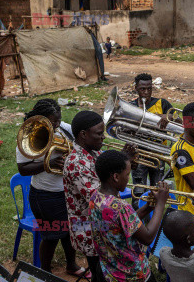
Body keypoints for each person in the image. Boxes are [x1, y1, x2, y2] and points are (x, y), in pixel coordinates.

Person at [16, 99, 86, 277]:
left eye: (58, 120)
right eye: (53, 121)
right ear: (41, 118)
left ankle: (71, 265)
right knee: (51, 236)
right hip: (44, 196)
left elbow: (81, 141)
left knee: (70, 231)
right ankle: (44, 272)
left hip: (67, 192)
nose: (56, 125)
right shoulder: (29, 133)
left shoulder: (62, 127)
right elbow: (23, 169)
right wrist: (49, 164)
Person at [90, 150, 169, 282]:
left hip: (109, 270)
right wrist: (161, 204)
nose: (128, 178)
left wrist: (149, 207)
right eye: (127, 174)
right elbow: (148, 237)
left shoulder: (95, 197)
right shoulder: (121, 207)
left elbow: (124, 223)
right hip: (133, 275)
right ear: (115, 177)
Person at [63, 110, 106, 282]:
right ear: (83, 134)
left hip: (98, 225)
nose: (103, 137)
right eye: (99, 134)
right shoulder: (76, 163)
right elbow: (99, 200)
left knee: (103, 269)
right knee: (99, 273)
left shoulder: (93, 152)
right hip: (88, 229)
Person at [129, 73, 175, 210]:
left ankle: (155, 220)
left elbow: (178, 118)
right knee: (138, 192)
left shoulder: (162, 103)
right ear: (136, 88)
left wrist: (167, 116)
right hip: (139, 155)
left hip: (158, 154)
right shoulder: (130, 106)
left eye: (149, 88)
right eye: (143, 89)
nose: (146, 92)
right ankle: (139, 224)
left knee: (157, 190)